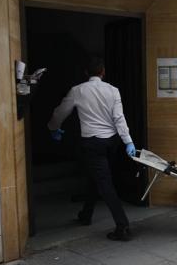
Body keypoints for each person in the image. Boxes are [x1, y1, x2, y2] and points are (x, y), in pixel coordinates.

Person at [48, 57, 136, 241]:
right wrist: (128, 141)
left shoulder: (78, 90)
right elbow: (119, 118)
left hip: (92, 143)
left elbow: (60, 112)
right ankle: (86, 214)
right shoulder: (113, 90)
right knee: (96, 176)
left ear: (86, 73)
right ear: (103, 72)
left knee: (103, 181)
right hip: (111, 141)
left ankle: (123, 226)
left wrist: (53, 128)